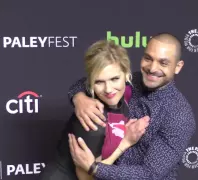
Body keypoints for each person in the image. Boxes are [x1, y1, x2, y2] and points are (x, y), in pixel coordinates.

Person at [67, 33, 196, 180]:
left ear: (177, 67)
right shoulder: (132, 81)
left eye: (163, 63)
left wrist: (95, 168)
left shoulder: (179, 115)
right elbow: (90, 80)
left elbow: (149, 174)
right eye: (148, 58)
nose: (152, 68)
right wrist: (78, 97)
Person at [39, 40, 149, 180]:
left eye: (115, 79)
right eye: (99, 82)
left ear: (126, 74)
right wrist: (125, 142)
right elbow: (87, 178)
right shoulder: (92, 120)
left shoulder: (129, 94)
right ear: (90, 82)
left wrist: (77, 96)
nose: (108, 89)